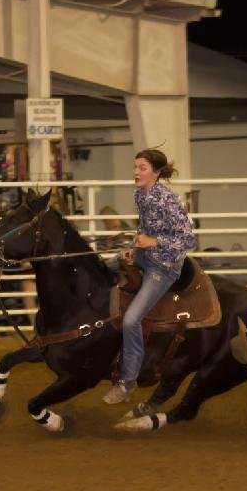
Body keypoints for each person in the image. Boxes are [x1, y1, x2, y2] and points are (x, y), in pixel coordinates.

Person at [103, 149, 197, 404]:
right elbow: (144, 229)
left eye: (142, 168)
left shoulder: (166, 198)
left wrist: (152, 242)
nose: (136, 172)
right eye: (135, 167)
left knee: (132, 319)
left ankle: (128, 381)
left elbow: (189, 239)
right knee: (101, 268)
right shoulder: (140, 194)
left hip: (164, 266)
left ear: (156, 172)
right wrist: (136, 249)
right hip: (145, 256)